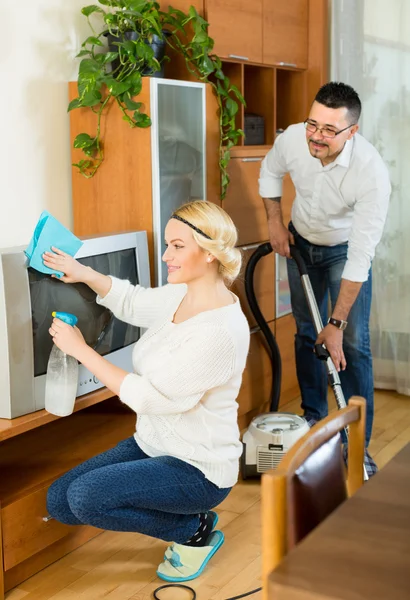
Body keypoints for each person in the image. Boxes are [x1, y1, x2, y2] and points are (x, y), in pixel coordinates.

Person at [43, 200, 250, 582]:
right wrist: (82, 272)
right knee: (60, 502)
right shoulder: (181, 294)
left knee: (87, 498)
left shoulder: (219, 333)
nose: (166, 255)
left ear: (208, 254)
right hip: (153, 444)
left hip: (197, 468)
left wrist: (81, 351)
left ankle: (194, 529)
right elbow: (133, 302)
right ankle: (185, 521)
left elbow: (151, 398)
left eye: (177, 246)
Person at [259, 82, 391, 474]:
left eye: (329, 130)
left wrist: (335, 322)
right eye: (312, 124)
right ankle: (313, 421)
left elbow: (360, 258)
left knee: (351, 342)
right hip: (299, 243)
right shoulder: (294, 142)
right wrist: (274, 223)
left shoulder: (371, 173)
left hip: (343, 252)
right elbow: (269, 172)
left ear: (352, 132)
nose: (317, 136)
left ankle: (357, 445)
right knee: (305, 333)